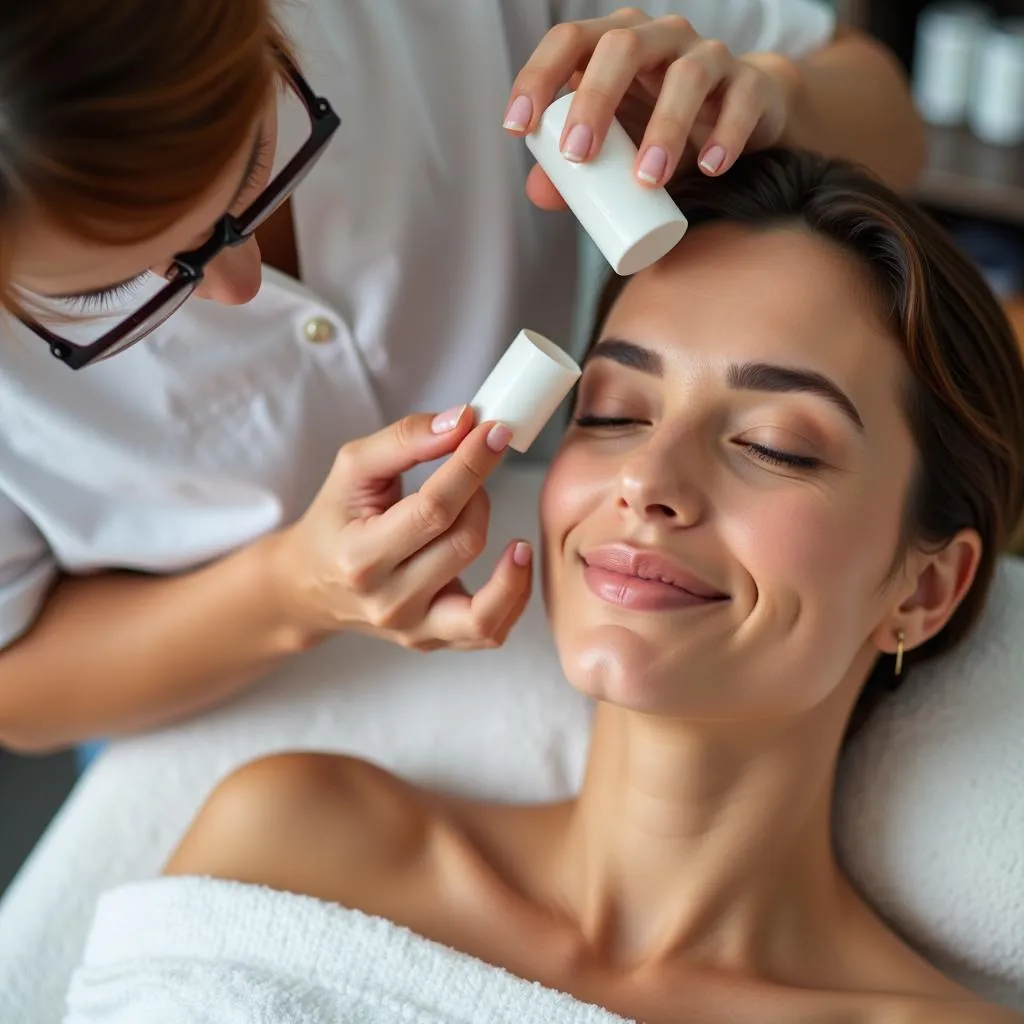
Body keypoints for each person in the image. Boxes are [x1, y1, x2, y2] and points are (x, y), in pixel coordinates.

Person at [153, 150, 1024, 1023]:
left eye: (773, 444)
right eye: (611, 412)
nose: (645, 478)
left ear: (925, 591)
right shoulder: (296, 841)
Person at [0, 1, 925, 754]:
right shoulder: (284, 829)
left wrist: (777, 104)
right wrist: (285, 593)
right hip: (191, 716)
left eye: (251, 162)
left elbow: (891, 126)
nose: (236, 284)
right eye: (113, 286)